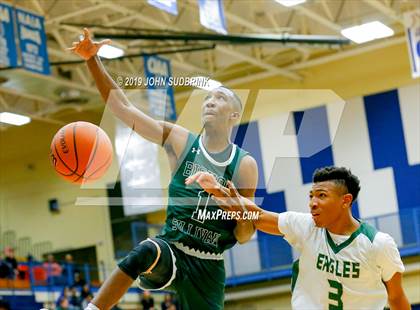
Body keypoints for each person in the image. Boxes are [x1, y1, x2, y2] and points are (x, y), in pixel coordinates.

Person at [69, 28, 257, 310]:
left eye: (220, 98)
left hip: (209, 265)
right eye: (208, 98)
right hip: (171, 250)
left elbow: (245, 235)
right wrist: (92, 60)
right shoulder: (181, 142)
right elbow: (123, 108)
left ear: (234, 115)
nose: (210, 101)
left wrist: (237, 212)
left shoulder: (244, 164)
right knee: (144, 252)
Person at [187, 166, 411, 310]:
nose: (313, 202)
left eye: (322, 196)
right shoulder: (305, 226)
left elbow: (397, 298)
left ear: (346, 200)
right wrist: (217, 190)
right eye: (311, 195)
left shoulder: (378, 244)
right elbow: (258, 215)